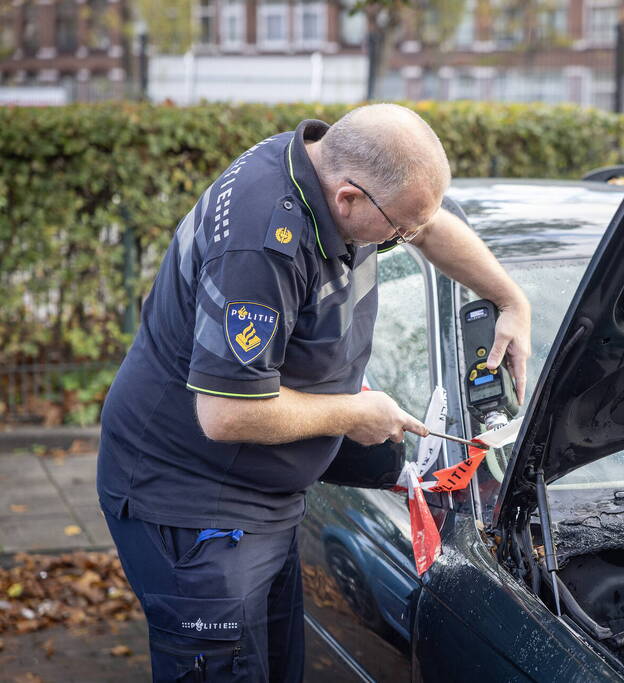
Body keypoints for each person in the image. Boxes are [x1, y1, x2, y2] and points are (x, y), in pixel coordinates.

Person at [96, 104, 531, 682]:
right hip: (192, 502)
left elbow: (428, 225)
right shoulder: (260, 248)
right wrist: (354, 412)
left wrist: (511, 299)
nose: (407, 239)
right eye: (399, 231)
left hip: (267, 498)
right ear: (349, 199)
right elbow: (226, 413)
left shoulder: (329, 170)